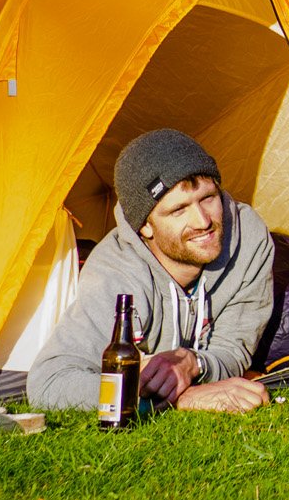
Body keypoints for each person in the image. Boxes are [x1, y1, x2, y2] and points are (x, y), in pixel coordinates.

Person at [27, 128, 273, 415]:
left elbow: (232, 348)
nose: (203, 221)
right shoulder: (116, 274)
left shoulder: (248, 238)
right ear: (144, 226)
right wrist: (175, 399)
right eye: (178, 210)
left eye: (208, 198)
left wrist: (193, 362)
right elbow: (49, 382)